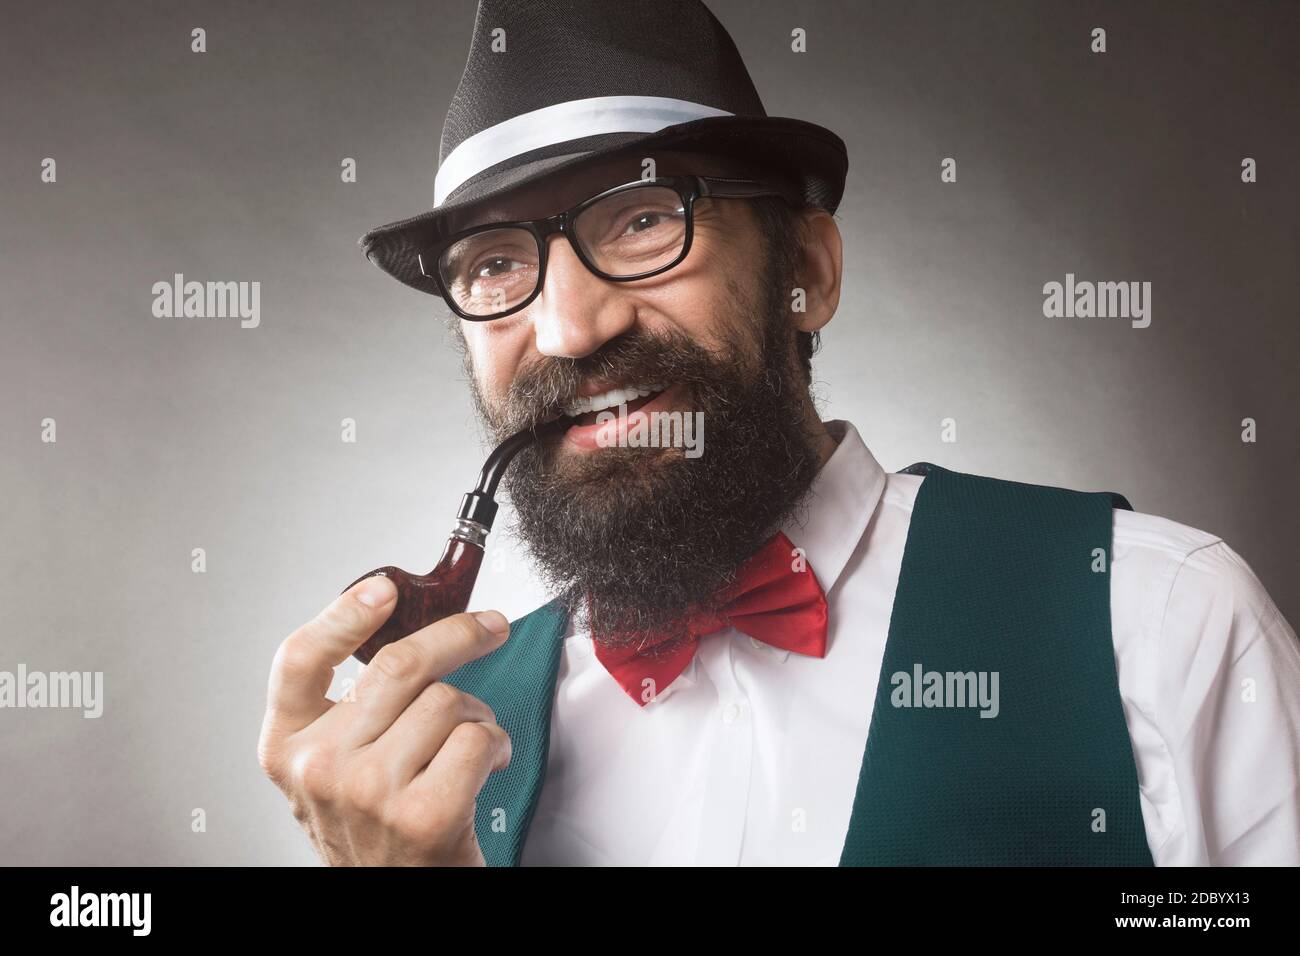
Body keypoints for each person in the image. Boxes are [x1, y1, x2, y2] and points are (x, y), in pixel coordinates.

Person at [257, 0, 1299, 866]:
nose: (571, 328)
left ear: (808, 269)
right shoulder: (434, 755)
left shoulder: (1160, 619)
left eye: (642, 217)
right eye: (493, 264)